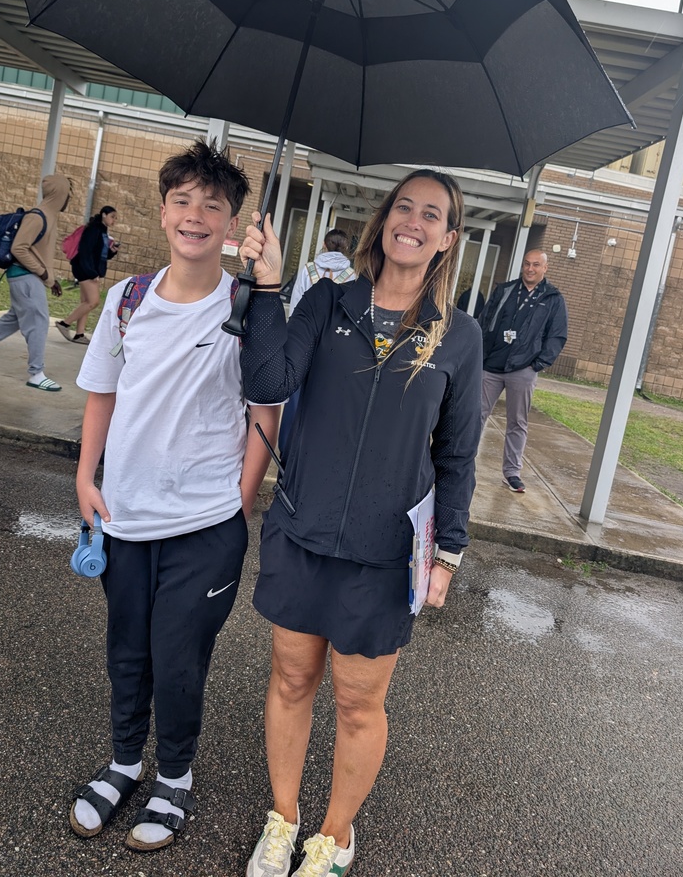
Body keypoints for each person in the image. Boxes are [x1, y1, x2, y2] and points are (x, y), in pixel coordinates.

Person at [239, 169, 482, 877]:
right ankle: (282, 820)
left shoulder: (458, 337)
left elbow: (457, 453)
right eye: (404, 206)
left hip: (385, 553)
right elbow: (267, 382)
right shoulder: (328, 300)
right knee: (291, 681)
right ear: (383, 220)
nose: (413, 221)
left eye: (431, 214)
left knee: (357, 703)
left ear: (448, 238)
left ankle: (333, 836)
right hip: (303, 530)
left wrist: (448, 553)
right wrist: (266, 288)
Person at [69, 140, 279, 855]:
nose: (195, 216)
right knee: (128, 651)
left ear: (232, 224)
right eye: (182, 201)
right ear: (162, 212)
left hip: (205, 524)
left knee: (178, 657)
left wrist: (239, 501)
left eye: (212, 205)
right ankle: (125, 763)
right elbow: (102, 391)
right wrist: (86, 477)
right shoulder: (128, 300)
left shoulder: (247, 306)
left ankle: (175, 778)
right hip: (125, 517)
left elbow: (266, 410)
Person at [0, 174, 71, 392]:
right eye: (67, 194)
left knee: (14, 319)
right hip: (25, 276)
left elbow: (39, 253)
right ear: (59, 194)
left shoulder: (50, 216)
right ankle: (36, 374)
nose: (69, 199)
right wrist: (44, 274)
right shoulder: (37, 217)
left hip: (29, 277)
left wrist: (50, 279)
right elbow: (19, 248)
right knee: (39, 323)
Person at [479, 249, 568, 493]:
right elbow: (484, 321)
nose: (530, 269)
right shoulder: (505, 290)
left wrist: (537, 364)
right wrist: (480, 354)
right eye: (527, 264)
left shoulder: (553, 298)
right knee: (475, 415)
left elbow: (557, 335)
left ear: (545, 268)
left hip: (523, 368)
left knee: (517, 422)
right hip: (491, 366)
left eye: (536, 265)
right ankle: (462, 462)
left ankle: (512, 473)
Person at [279, 229, 355, 455]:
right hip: (332, 342)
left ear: (324, 244)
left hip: (303, 339)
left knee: (296, 392)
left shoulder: (308, 270)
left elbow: (296, 305)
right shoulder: (352, 275)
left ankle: (287, 447)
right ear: (346, 248)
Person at [55, 205, 119, 345]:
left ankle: (79, 334)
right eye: (112, 217)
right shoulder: (93, 229)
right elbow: (85, 252)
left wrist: (112, 251)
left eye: (115, 218)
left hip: (88, 269)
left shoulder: (102, 230)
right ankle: (65, 324)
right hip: (85, 269)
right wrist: (92, 273)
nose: (114, 220)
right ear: (104, 215)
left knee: (86, 303)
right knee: (93, 302)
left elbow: (99, 254)